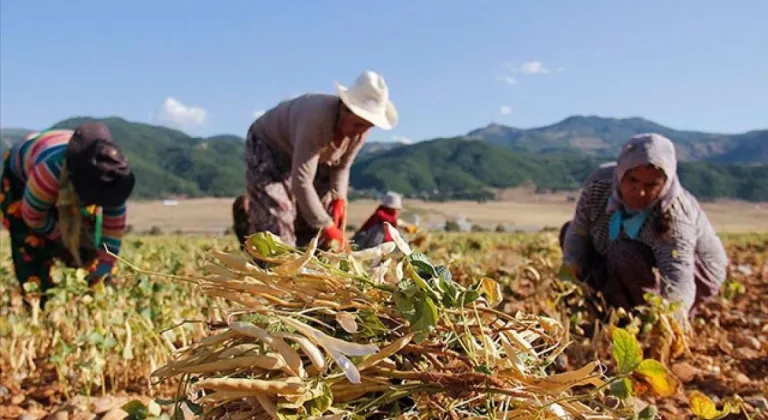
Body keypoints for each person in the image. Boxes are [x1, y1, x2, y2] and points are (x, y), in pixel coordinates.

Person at [560, 133, 728, 320]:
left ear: (665, 183)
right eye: (633, 180)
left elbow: (678, 278)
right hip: (627, 256)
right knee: (569, 233)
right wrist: (570, 275)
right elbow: (579, 232)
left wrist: (669, 321)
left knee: (625, 253)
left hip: (696, 271)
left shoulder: (674, 216)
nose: (640, 192)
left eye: (651, 185)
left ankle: (638, 320)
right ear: (621, 173)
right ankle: (606, 310)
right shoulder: (599, 186)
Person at [242, 70, 397, 250]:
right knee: (278, 217)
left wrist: (339, 198)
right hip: (269, 146)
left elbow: (341, 168)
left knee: (320, 215)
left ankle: (309, 263)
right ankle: (274, 264)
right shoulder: (316, 122)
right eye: (358, 124)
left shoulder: (358, 133)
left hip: (308, 156)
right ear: (344, 110)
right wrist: (326, 225)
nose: (360, 132)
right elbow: (302, 182)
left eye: (367, 127)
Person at [0, 122, 135, 307]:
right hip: (22, 179)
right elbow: (33, 217)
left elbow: (112, 232)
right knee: (31, 245)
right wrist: (62, 239)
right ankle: (39, 303)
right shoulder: (48, 171)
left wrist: (102, 271)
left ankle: (82, 292)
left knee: (86, 242)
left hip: (71, 168)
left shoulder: (113, 176)